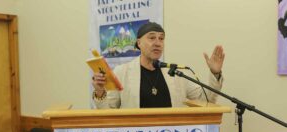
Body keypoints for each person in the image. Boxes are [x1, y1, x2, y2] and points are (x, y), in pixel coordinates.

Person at [92, 22, 225, 109]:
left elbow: (206, 100)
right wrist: (99, 91)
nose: (157, 43)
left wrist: (215, 74)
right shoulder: (122, 72)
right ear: (139, 43)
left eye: (161, 38)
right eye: (152, 38)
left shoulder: (175, 73)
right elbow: (109, 111)